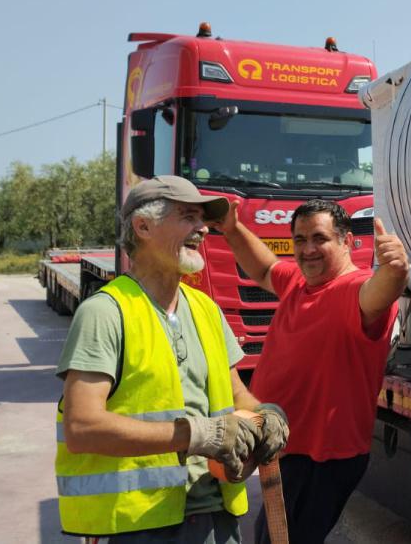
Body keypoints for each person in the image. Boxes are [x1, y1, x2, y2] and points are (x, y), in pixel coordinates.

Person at [55, 175, 290, 542]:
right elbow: (82, 428)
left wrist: (266, 415)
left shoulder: (205, 309)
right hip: (139, 526)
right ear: (143, 226)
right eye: (187, 217)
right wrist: (195, 434)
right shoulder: (105, 312)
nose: (201, 230)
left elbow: (235, 395)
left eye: (202, 220)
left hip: (215, 515)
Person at [215, 198, 408, 542]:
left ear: (347, 241)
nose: (308, 249)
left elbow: (378, 295)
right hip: (286, 447)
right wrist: (232, 229)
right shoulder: (298, 283)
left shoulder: (353, 289)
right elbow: (262, 269)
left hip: (321, 458)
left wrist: (394, 272)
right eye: (300, 240)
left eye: (319, 238)